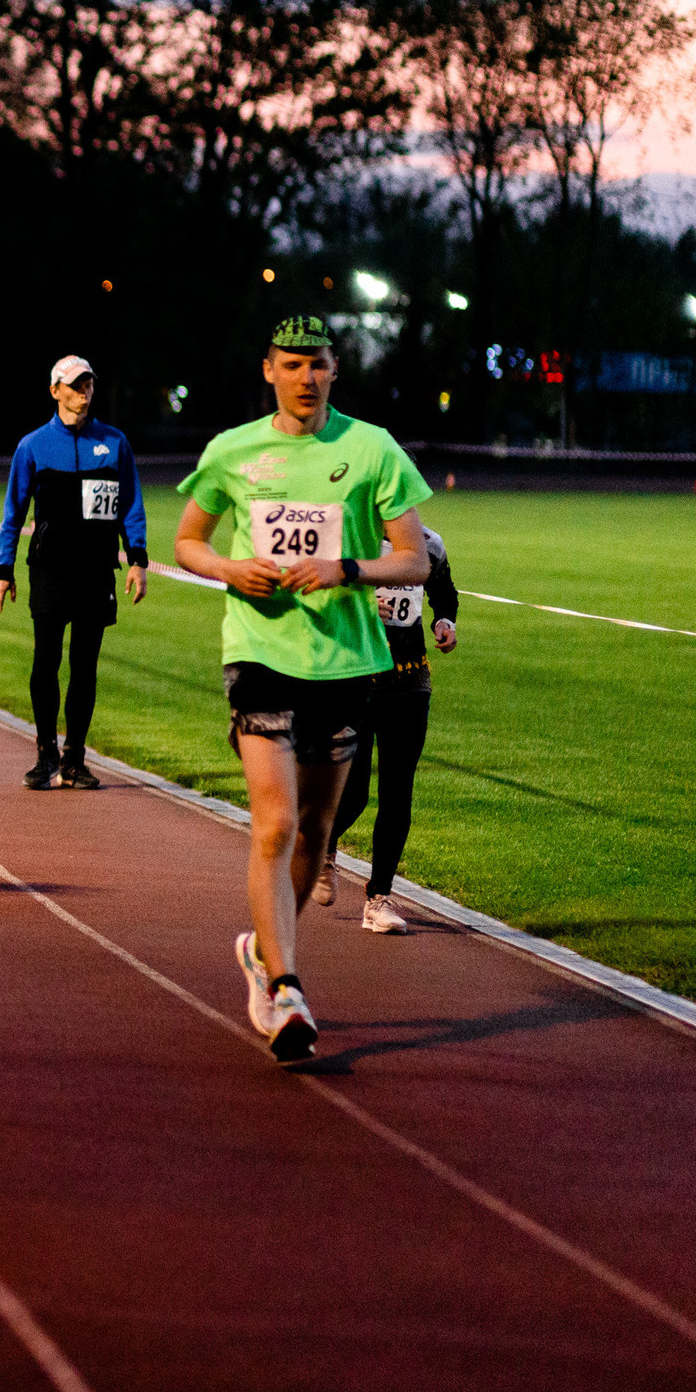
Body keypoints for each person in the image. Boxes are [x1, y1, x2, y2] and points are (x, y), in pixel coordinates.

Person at [173, 316, 433, 1062]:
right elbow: (187, 539)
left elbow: (413, 559)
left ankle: (260, 947)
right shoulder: (233, 451)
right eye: (292, 364)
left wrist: (345, 568)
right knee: (276, 823)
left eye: (317, 364)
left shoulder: (370, 448)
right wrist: (229, 569)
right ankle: (286, 985)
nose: (306, 377)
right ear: (269, 370)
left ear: (334, 369)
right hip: (259, 651)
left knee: (317, 834)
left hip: (347, 660)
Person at [0, 354, 148, 791]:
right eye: (75, 385)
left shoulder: (114, 443)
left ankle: (75, 758)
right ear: (55, 390)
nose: (84, 392)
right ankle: (45, 756)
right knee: (46, 661)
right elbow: (13, 511)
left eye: (89, 384)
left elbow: (131, 504)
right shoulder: (33, 445)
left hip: (97, 573)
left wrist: (138, 560)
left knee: (85, 666)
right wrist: (3, 569)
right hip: (51, 571)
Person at [329, 526, 458, 932]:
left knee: (398, 794)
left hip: (409, 683)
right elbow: (316, 600)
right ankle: (322, 845)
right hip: (354, 680)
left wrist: (445, 621)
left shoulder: (430, 543)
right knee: (352, 794)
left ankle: (378, 899)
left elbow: (443, 590)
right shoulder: (348, 539)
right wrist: (365, 607)